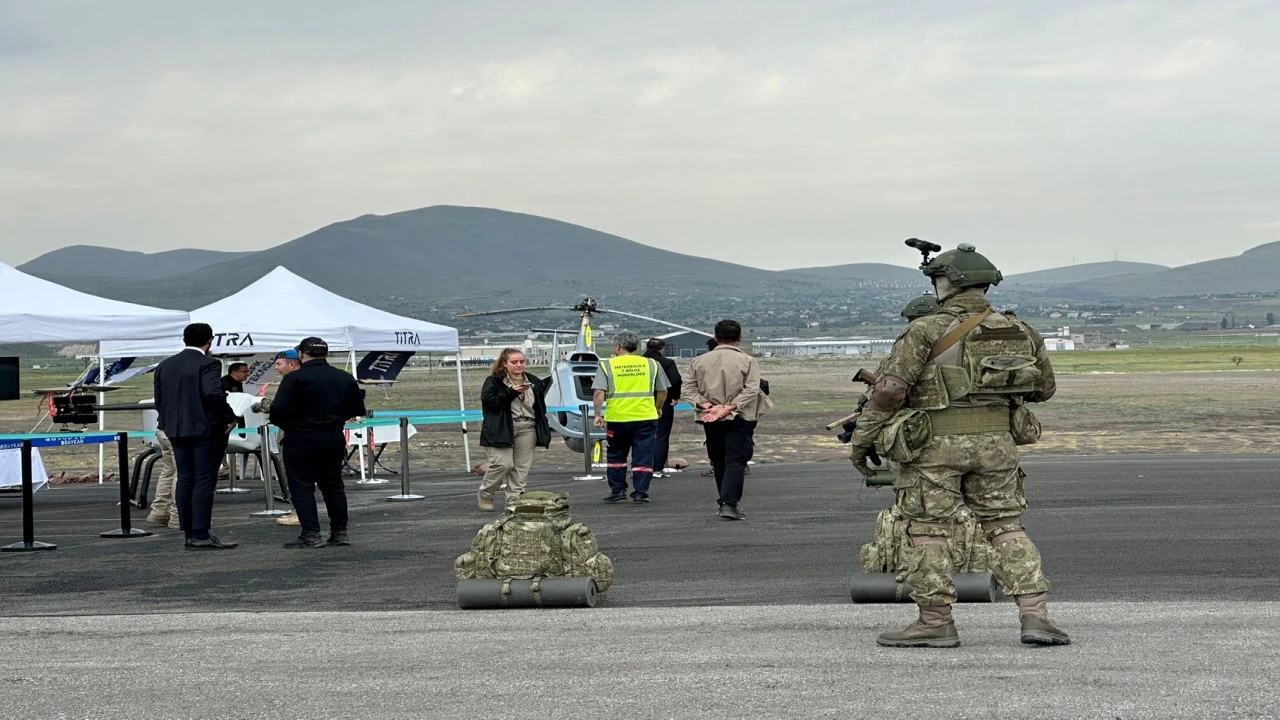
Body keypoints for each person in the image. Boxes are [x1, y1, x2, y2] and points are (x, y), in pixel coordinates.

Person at [848, 242, 1069, 648]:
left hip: (935, 446)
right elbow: (1044, 390)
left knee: (928, 531)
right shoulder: (1021, 330)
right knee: (1005, 526)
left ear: (947, 282)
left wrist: (862, 441)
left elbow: (891, 390)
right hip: (997, 446)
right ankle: (1036, 617)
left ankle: (935, 621)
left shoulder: (926, 329)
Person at [268, 337, 366, 548]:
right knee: (333, 486)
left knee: (302, 487)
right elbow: (357, 409)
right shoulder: (344, 377)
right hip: (332, 437)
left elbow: (277, 412)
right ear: (326, 354)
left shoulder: (295, 379)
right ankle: (340, 532)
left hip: (300, 438)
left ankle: (311, 534)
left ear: (301, 355)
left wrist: (291, 424)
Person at [153, 322, 239, 550]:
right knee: (204, 480)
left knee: (185, 478)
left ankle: (189, 532)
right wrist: (229, 416)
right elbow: (213, 393)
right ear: (210, 340)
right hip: (204, 429)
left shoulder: (165, 365)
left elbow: (159, 400)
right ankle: (201, 533)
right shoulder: (208, 364)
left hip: (175, 429)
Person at [684, 319, 772, 520]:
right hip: (741, 416)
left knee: (718, 458)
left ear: (715, 338)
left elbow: (688, 389)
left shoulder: (698, 361)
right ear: (739, 338)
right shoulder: (748, 361)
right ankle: (728, 503)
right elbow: (751, 389)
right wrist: (729, 408)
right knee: (736, 459)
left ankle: (725, 500)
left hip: (709, 417)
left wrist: (708, 406)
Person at [592, 332, 669, 503]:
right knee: (644, 455)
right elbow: (663, 390)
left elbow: (598, 392)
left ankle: (617, 490)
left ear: (618, 347)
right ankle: (640, 492)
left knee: (616, 456)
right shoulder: (651, 364)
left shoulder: (607, 365)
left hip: (617, 418)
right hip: (646, 417)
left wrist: (597, 414)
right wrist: (657, 408)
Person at [476, 348, 552, 510]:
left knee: (521, 467)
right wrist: (510, 393)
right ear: (504, 363)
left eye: (522, 362)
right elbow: (490, 404)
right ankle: (486, 493)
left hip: (528, 427)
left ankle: (514, 500)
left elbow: (539, 406)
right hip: (502, 427)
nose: (519, 365)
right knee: (503, 464)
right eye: (514, 362)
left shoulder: (534, 381)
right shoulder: (494, 381)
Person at [252, 350, 302, 526]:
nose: (276, 368)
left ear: (291, 364)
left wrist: (265, 407)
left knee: (294, 475)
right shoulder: (313, 379)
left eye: (279, 364)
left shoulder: (291, 381)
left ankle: (298, 512)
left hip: (293, 433)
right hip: (317, 433)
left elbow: (280, 408)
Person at [643, 338, 683, 477]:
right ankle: (657, 467)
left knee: (640, 437)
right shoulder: (667, 363)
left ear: (646, 348)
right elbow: (676, 380)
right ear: (662, 349)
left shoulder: (639, 363)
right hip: (663, 402)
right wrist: (674, 396)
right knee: (661, 436)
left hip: (639, 404)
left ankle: (642, 466)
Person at [143, 429, 181, 530]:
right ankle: (178, 516)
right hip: (180, 431)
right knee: (183, 472)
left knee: (169, 471)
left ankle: (160, 511)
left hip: (163, 429)